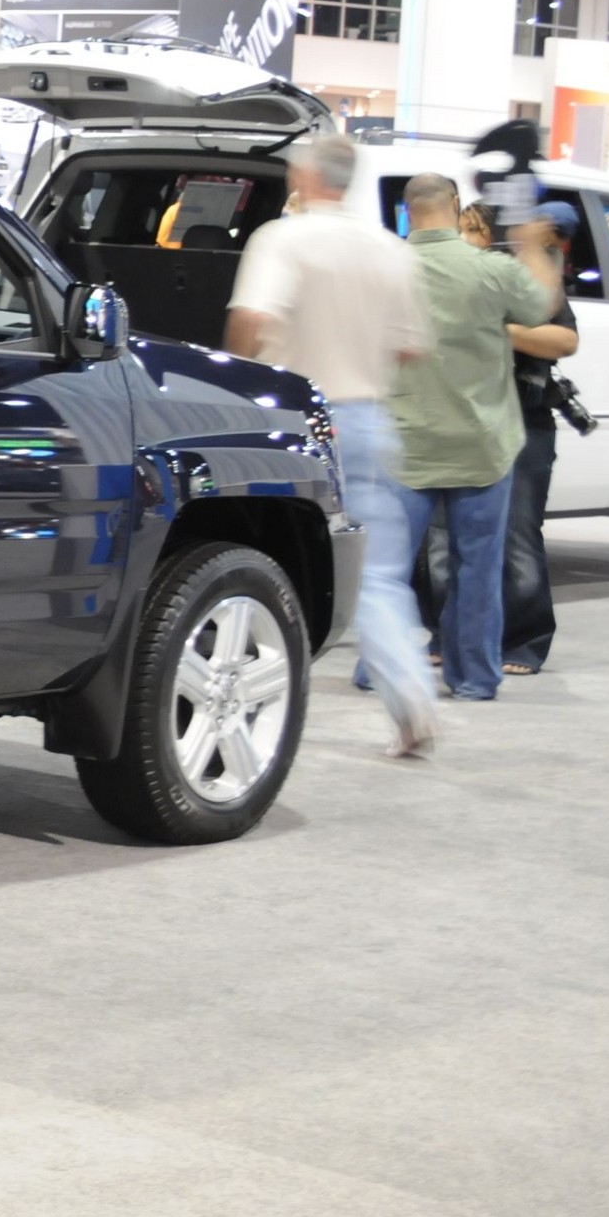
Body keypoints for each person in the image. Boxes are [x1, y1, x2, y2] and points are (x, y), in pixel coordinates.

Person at [225, 134, 436, 756]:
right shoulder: (391, 250)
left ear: (306, 177)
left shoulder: (283, 239)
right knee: (380, 575)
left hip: (301, 420)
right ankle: (413, 704)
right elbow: (411, 347)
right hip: (371, 420)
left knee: (264, 561)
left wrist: (237, 377)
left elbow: (252, 320)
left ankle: (249, 697)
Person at [386, 172, 562, 706]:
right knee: (478, 566)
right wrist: (533, 246)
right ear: (455, 205)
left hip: (403, 442)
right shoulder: (489, 269)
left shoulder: (383, 268)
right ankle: (474, 678)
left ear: (407, 209)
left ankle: (383, 673)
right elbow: (541, 310)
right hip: (481, 443)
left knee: (387, 570)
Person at [423, 198, 581, 676]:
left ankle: (523, 642)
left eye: (474, 231)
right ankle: (445, 633)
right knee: (440, 539)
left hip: (523, 425)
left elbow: (564, 340)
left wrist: (495, 326)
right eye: (461, 230)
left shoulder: (526, 283)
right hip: (455, 422)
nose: (466, 241)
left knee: (517, 537)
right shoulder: (446, 279)